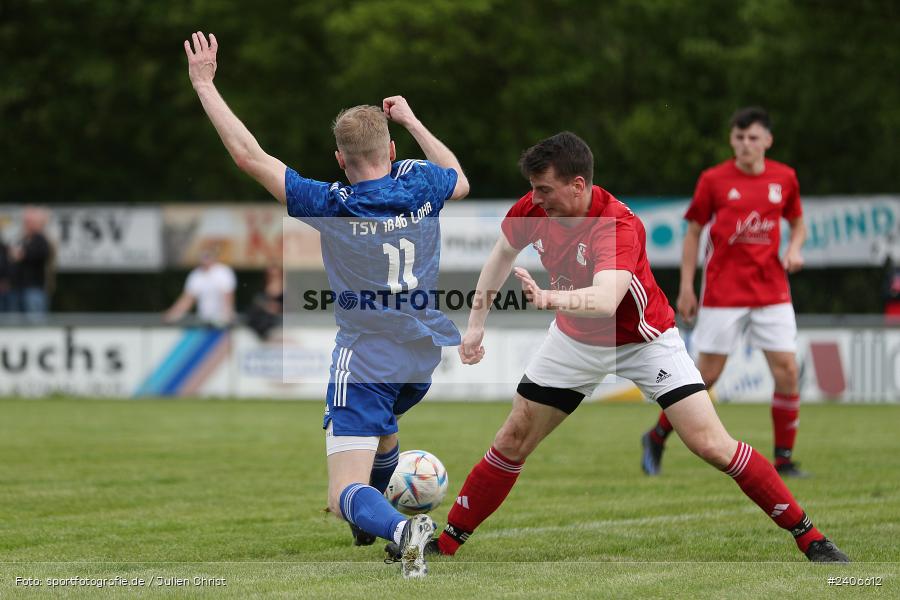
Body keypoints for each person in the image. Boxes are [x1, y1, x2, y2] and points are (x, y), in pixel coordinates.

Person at [393, 131, 847, 563]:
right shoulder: (535, 209)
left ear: (578, 184)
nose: (536, 199)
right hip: (573, 340)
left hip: (644, 342)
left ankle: (811, 537)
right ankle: (446, 545)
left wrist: (550, 298)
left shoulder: (618, 225)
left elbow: (607, 300)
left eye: (545, 189)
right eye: (532, 188)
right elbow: (501, 256)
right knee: (512, 438)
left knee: (711, 444)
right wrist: (475, 324)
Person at [184, 32, 470, 578]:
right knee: (383, 432)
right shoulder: (420, 182)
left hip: (366, 355)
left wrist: (204, 84)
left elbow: (250, 157)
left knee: (343, 489)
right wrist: (411, 121)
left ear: (340, 159)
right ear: (390, 151)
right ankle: (374, 525)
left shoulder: (333, 203)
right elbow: (460, 178)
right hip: (423, 352)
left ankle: (399, 528)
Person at [641, 107, 809, 478]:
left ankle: (783, 460)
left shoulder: (785, 178)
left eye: (752, 138)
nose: (745, 145)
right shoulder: (714, 180)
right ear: (732, 139)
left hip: (772, 291)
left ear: (767, 140)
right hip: (723, 292)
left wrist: (795, 248)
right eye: (739, 138)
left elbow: (798, 223)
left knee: (787, 372)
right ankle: (655, 436)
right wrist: (686, 287)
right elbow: (693, 231)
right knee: (707, 376)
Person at [163, 248, 237, 327]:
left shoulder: (223, 272)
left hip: (221, 320)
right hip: (204, 320)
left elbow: (228, 296)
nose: (205, 259)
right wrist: (173, 314)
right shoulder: (196, 275)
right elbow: (187, 299)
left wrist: (227, 316)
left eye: (208, 256)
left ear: (214, 257)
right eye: (203, 256)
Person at [10, 206, 53, 321]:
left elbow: (43, 254)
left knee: (34, 323)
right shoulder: (23, 239)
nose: (26, 224)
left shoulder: (41, 239)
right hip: (19, 287)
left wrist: (23, 255)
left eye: (29, 221)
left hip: (34, 288)